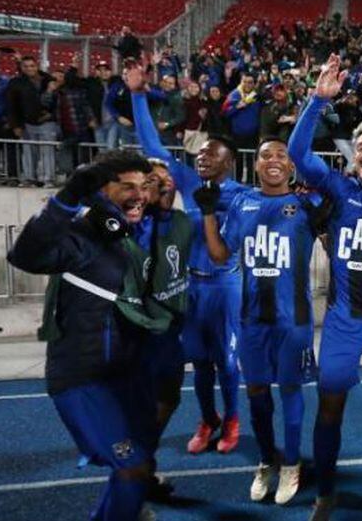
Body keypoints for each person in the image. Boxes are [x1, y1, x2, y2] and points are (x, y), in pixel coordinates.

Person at [7, 150, 164, 521]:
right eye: (127, 186)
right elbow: (24, 255)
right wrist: (67, 197)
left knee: (137, 466)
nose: (140, 195)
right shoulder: (84, 234)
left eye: (144, 186)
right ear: (101, 190)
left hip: (121, 376)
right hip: (82, 378)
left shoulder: (125, 235)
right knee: (132, 468)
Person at [287, 54, 362, 521]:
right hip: (341, 322)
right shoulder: (338, 187)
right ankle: (326, 491)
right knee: (330, 407)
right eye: (360, 147)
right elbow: (298, 154)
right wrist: (317, 102)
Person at [126, 62, 248, 457]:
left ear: (229, 161)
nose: (201, 157)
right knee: (199, 361)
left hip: (227, 285)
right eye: (201, 152)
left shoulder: (243, 196)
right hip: (193, 285)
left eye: (211, 154)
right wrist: (138, 95)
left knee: (227, 361)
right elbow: (153, 150)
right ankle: (208, 419)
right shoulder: (191, 182)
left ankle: (233, 419)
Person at [195, 137, 325, 505]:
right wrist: (208, 213)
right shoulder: (242, 203)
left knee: (290, 390)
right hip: (253, 319)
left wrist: (326, 222)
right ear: (255, 165)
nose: (273, 160)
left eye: (282, 155)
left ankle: (291, 464)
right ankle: (267, 460)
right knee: (256, 394)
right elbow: (220, 256)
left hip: (293, 320)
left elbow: (332, 245)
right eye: (266, 155)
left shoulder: (306, 204)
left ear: (291, 166)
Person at [137, 157, 193, 501]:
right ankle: (134, 474)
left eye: (167, 180)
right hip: (140, 330)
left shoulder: (183, 222)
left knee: (169, 398)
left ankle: (142, 463)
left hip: (171, 329)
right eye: (154, 181)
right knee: (139, 405)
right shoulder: (134, 224)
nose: (164, 185)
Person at [6, 55, 59, 185]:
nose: (29, 68)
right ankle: (30, 178)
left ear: (37, 66)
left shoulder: (49, 80)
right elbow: (11, 105)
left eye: (32, 66)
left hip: (47, 122)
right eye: (26, 66)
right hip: (27, 122)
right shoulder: (16, 83)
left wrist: (51, 115)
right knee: (29, 151)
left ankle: (48, 179)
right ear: (21, 68)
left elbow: (58, 102)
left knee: (48, 151)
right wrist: (16, 125)